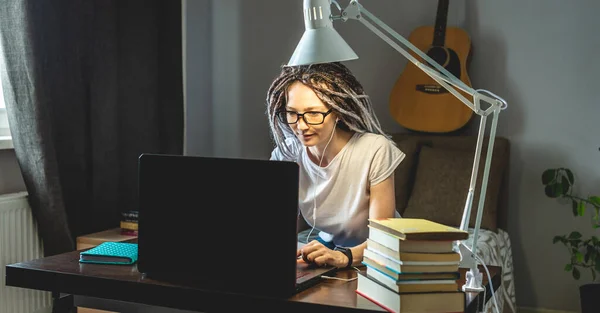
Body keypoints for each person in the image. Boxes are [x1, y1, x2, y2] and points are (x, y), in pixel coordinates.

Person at [266, 62, 405, 269]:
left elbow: (383, 241)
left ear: (337, 111)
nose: (301, 126)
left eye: (314, 113)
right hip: (331, 246)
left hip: (382, 256)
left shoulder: (375, 150)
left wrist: (343, 257)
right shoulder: (288, 153)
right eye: (292, 113)